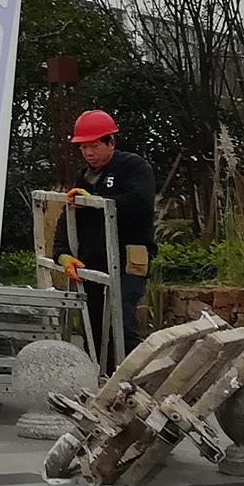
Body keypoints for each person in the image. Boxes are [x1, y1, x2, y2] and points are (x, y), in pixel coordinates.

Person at [67, 110, 156, 358]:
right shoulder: (84, 176)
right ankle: (97, 375)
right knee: (93, 325)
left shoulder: (134, 167)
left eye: (94, 146)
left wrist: (96, 200)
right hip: (94, 259)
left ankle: (130, 374)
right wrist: (61, 253)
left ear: (111, 143)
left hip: (129, 257)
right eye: (83, 147)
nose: (89, 153)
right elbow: (70, 215)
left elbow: (139, 203)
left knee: (121, 322)